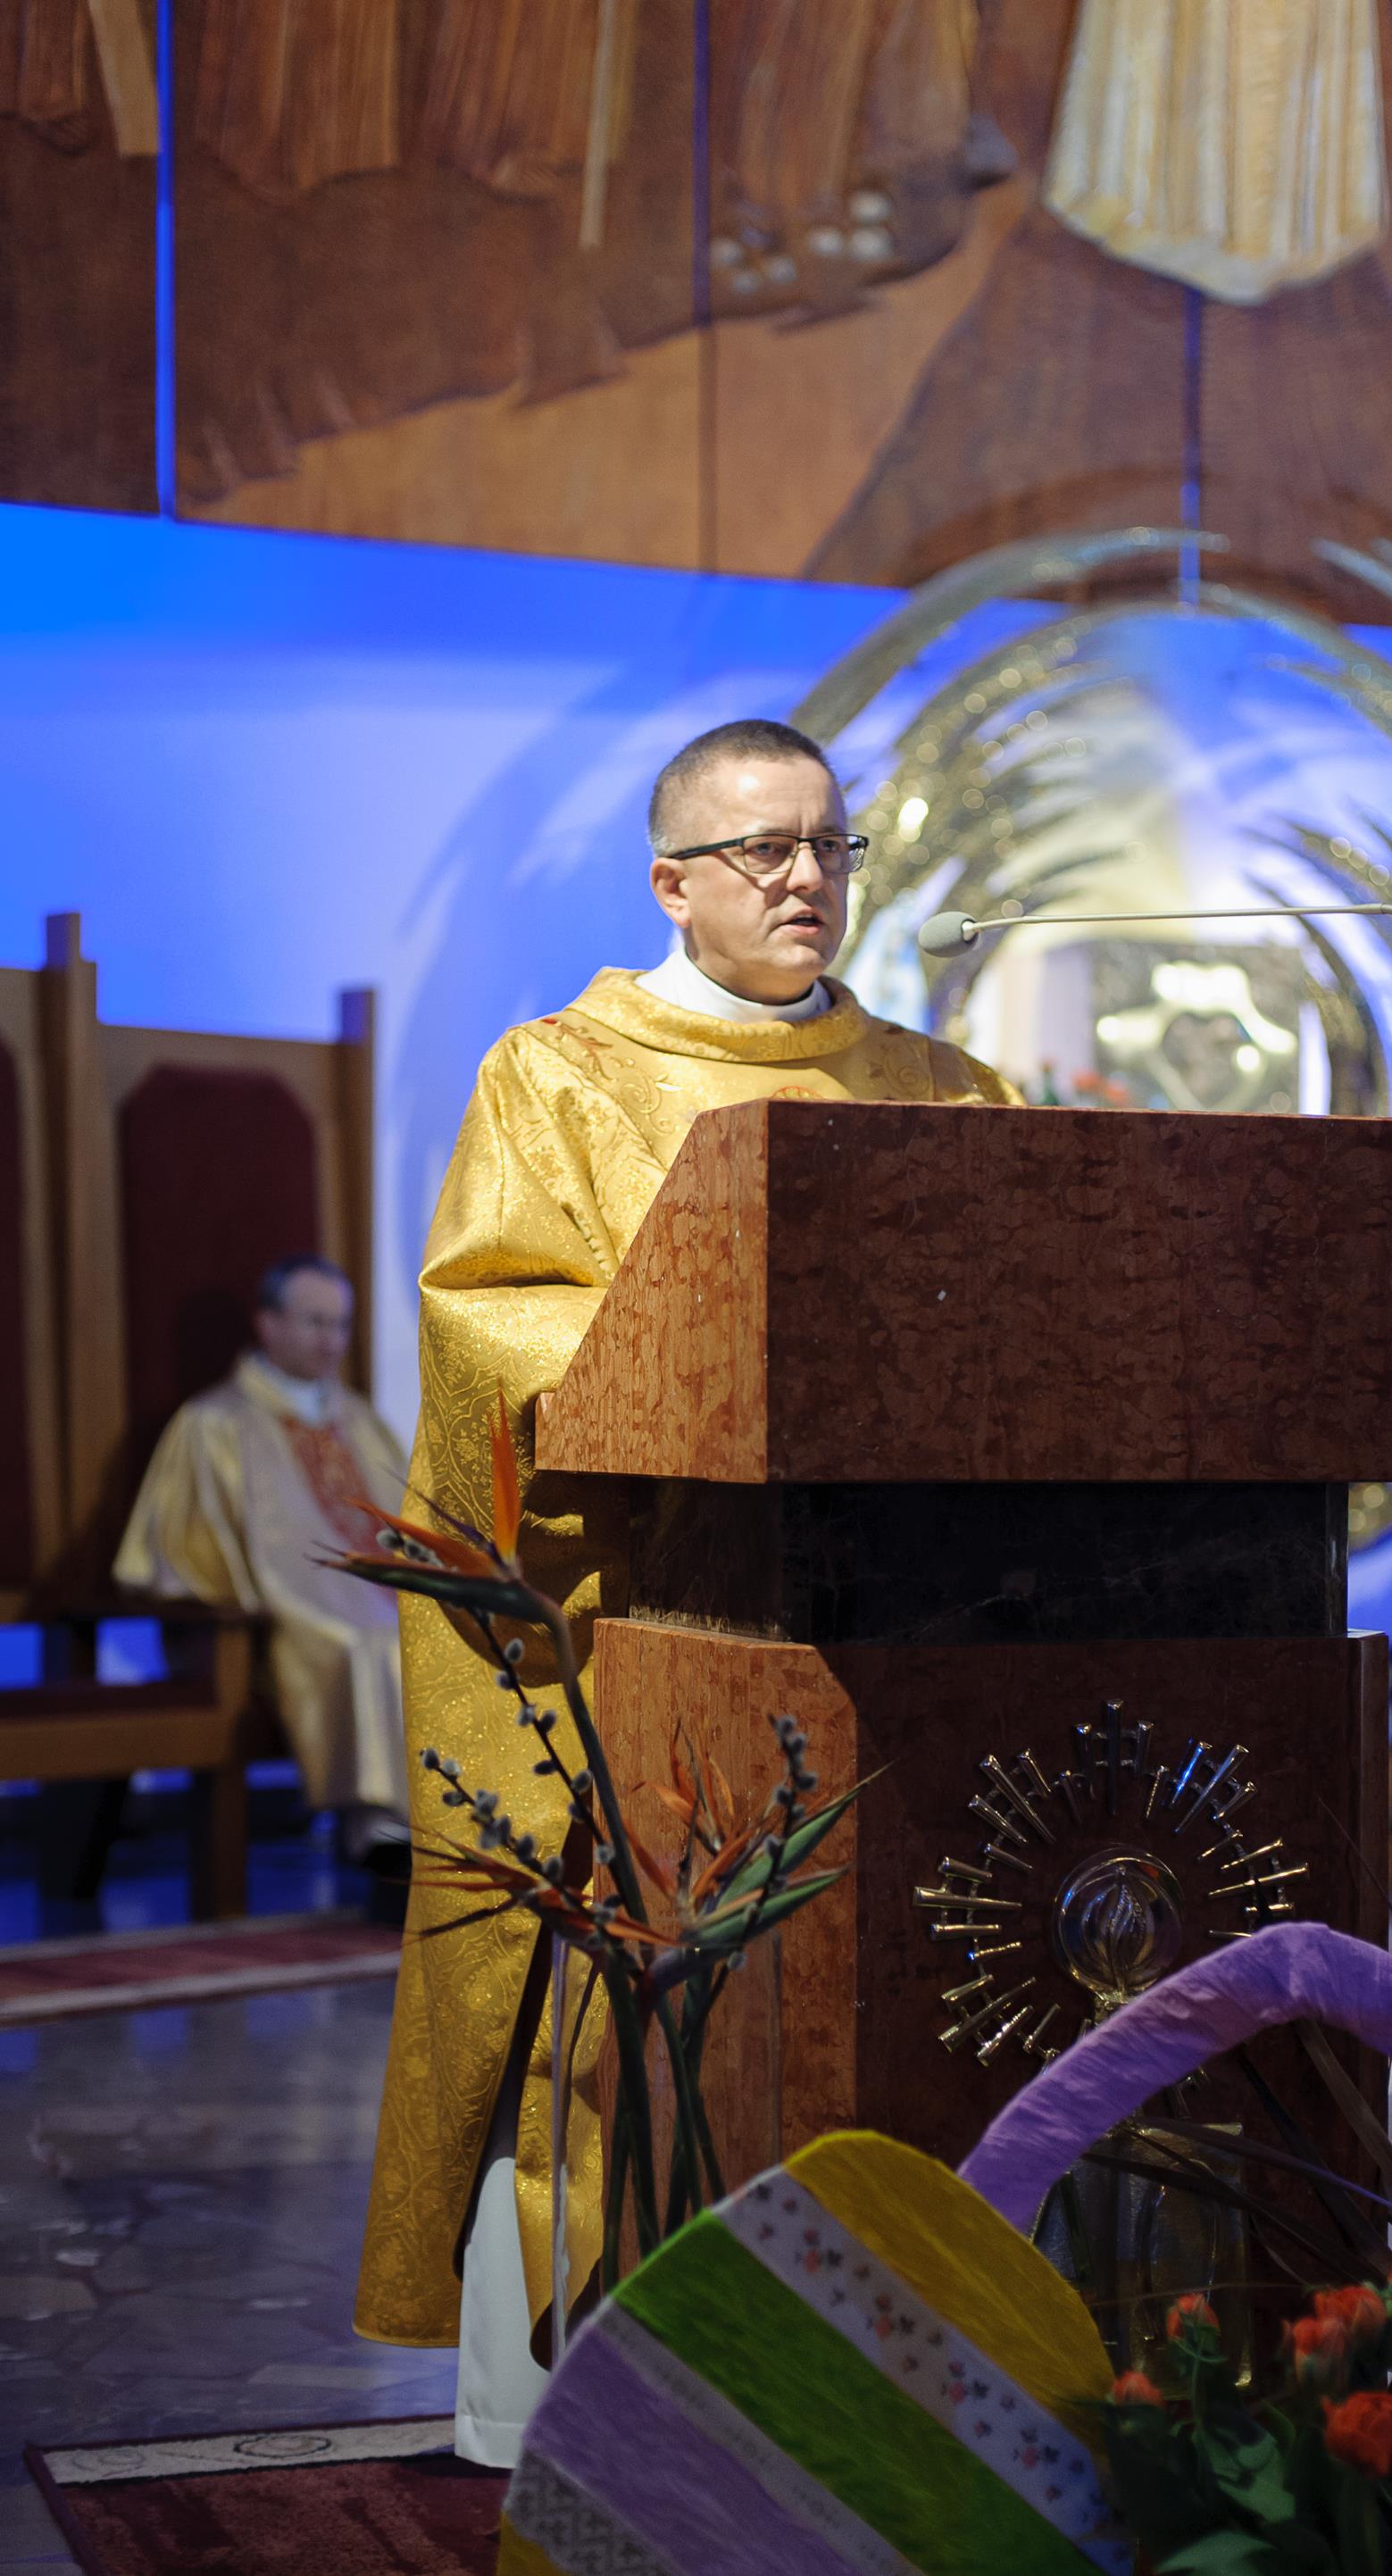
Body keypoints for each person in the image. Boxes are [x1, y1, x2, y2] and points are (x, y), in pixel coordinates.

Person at [354, 716, 1017, 2463]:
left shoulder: (945, 1091)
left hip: (910, 1639)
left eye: (826, 845)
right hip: (654, 1630)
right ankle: (586, 2410)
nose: (805, 877)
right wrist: (736, 1365)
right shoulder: (558, 1077)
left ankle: (903, 2392)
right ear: (670, 881)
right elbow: (495, 1332)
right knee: (620, 2027)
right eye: (760, 849)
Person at [113, 1255, 412, 1871]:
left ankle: (474, 1835)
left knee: (455, 1634)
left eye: (341, 1323)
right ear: (267, 1323)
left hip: (382, 1600)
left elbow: (413, 1527)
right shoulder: (213, 1424)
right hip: (278, 1626)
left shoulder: (359, 1420)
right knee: (374, 1644)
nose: (331, 1340)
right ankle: (383, 1835)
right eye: (314, 1321)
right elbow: (187, 1552)